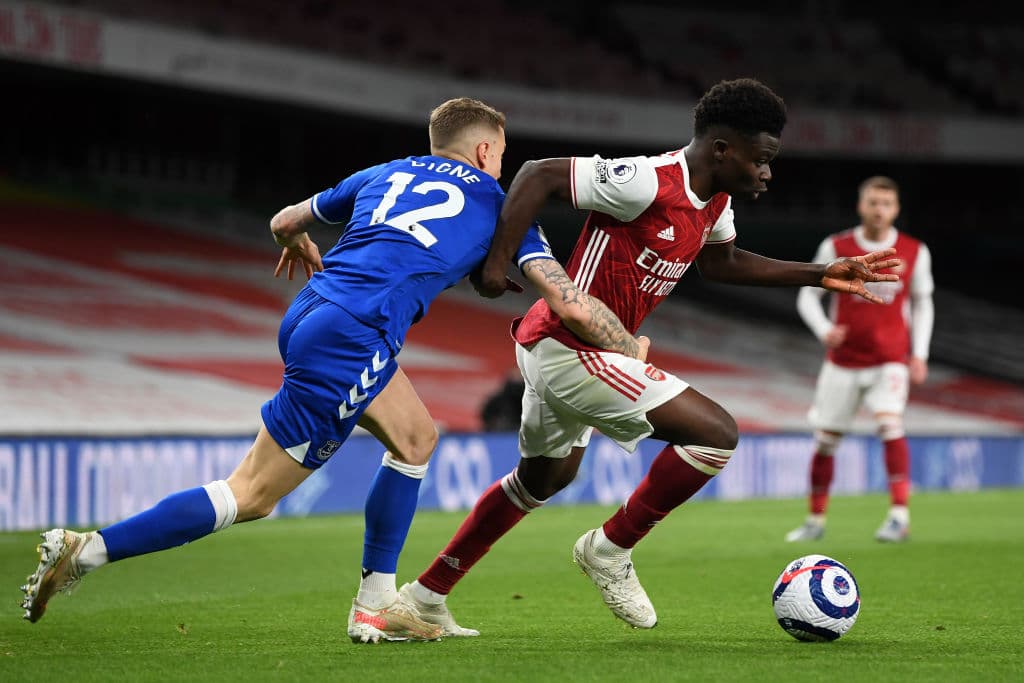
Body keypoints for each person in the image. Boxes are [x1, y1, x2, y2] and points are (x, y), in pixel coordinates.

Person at [19, 97, 647, 643]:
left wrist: (297, 244)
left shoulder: (386, 171)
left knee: (416, 437)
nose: (503, 167)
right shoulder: (498, 204)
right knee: (252, 495)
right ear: (485, 150)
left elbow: (285, 221)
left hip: (312, 311)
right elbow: (567, 301)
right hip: (355, 333)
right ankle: (87, 551)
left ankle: (378, 604)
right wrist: (627, 346)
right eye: (502, 155)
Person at [396, 78, 902, 633]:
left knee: (541, 480)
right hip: (570, 347)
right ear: (721, 150)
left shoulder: (716, 201)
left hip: (565, 350)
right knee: (716, 434)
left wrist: (819, 274)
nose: (767, 172)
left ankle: (423, 597)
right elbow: (538, 173)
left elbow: (722, 264)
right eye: (761, 159)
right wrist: (498, 264)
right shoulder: (646, 180)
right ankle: (609, 550)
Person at [784, 176, 934, 544]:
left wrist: (920, 353)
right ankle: (815, 520)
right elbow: (808, 294)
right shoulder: (838, 246)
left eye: (886, 203)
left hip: (889, 359)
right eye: (873, 202)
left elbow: (922, 302)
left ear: (896, 209)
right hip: (843, 361)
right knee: (825, 442)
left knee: (890, 425)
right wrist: (823, 329)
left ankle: (899, 516)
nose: (879, 209)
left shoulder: (915, 250)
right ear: (860, 205)